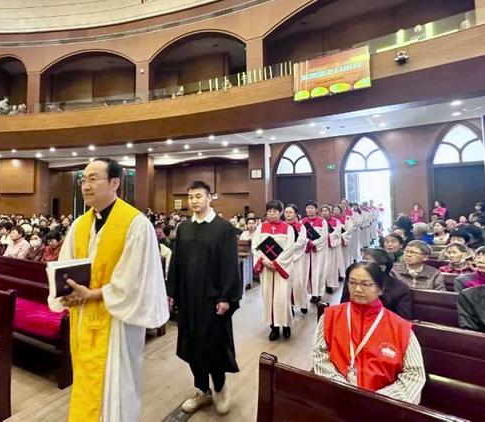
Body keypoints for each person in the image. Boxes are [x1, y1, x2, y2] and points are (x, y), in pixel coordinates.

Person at [48, 158, 168, 422]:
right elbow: (64, 264)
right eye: (83, 179)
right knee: (87, 380)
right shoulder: (80, 224)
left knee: (117, 386)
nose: (85, 185)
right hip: (83, 317)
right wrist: (64, 291)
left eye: (93, 179)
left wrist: (94, 294)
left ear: (115, 183)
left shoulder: (136, 225)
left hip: (117, 321)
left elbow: (138, 279)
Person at [167, 181, 241, 416]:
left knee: (213, 347)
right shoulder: (184, 228)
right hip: (189, 299)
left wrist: (226, 297)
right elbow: (176, 263)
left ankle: (220, 387)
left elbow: (230, 266)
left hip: (213, 301)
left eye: (198, 196)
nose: (194, 201)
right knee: (192, 346)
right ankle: (202, 390)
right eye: (190, 197)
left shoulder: (224, 229)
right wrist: (171, 292)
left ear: (210, 198)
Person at [312, 262, 425, 404]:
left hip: (381, 406)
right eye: (352, 283)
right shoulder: (330, 316)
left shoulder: (400, 327)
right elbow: (320, 354)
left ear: (380, 289)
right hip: (336, 396)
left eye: (366, 284)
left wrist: (376, 400)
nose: (358, 289)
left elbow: (414, 374)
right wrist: (341, 386)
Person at [252, 200, 303, 341]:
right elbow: (255, 246)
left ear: (280, 212)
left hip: (282, 268)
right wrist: (263, 261)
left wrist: (277, 262)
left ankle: (286, 325)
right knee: (268, 297)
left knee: (282, 298)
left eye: (275, 211)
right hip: (266, 268)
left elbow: (289, 249)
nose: (272, 214)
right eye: (269, 211)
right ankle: (273, 327)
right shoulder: (260, 227)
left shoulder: (287, 228)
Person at [341, 248, 412, 319]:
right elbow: (344, 308)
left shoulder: (400, 289)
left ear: (382, 268)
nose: (362, 266)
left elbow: (402, 319)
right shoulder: (353, 281)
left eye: (367, 263)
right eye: (362, 261)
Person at [284, 204, 308, 315]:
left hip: (297, 258)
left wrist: (288, 249)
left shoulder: (300, 226)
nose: (288, 214)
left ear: (296, 214)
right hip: (284, 260)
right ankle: (290, 307)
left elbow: (301, 242)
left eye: (290, 212)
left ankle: (302, 303)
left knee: (298, 282)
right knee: (286, 284)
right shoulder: (282, 226)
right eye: (286, 212)